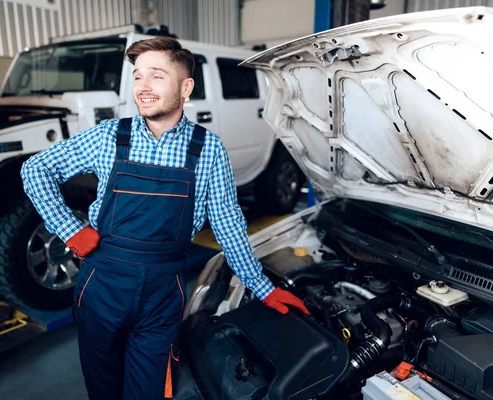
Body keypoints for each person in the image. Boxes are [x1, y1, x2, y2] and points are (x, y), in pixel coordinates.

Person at [20, 36, 309, 400]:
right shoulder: (110, 137)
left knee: (151, 391)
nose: (143, 87)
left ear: (185, 87)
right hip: (102, 284)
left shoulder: (207, 150)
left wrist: (263, 288)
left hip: (162, 294)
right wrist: (70, 229)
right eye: (138, 76)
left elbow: (228, 223)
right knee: (102, 387)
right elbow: (35, 169)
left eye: (156, 76)